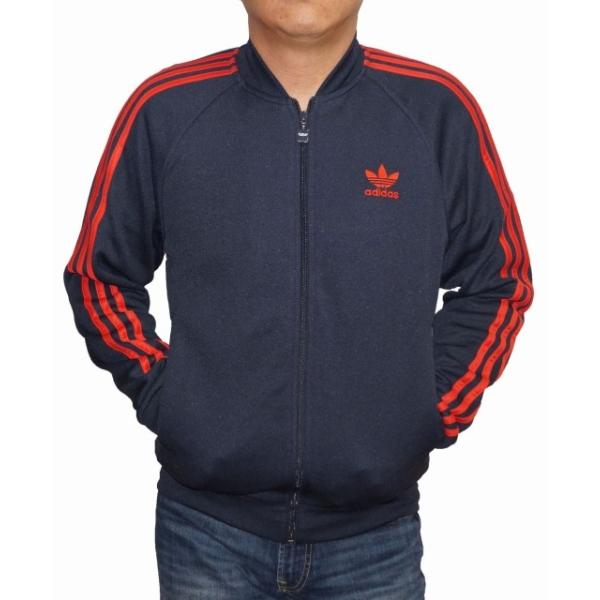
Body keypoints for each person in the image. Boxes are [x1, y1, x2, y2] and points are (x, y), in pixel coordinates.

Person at [63, 0, 534, 597]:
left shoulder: (436, 110)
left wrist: (430, 407)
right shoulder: (166, 108)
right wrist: (171, 400)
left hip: (375, 540)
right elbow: (99, 276)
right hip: (206, 534)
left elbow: (500, 280)